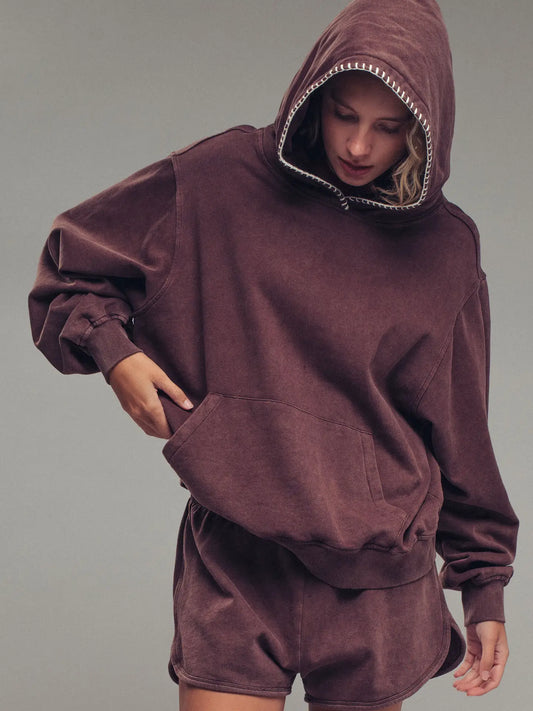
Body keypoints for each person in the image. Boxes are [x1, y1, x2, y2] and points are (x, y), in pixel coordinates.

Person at [28, 0, 520, 709]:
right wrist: (116, 355)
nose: (358, 146)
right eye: (343, 115)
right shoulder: (219, 180)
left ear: (423, 127)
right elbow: (71, 266)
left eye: (387, 128)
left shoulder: (444, 249)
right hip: (238, 554)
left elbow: (459, 426)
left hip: (378, 579)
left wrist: (484, 583)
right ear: (314, 95)